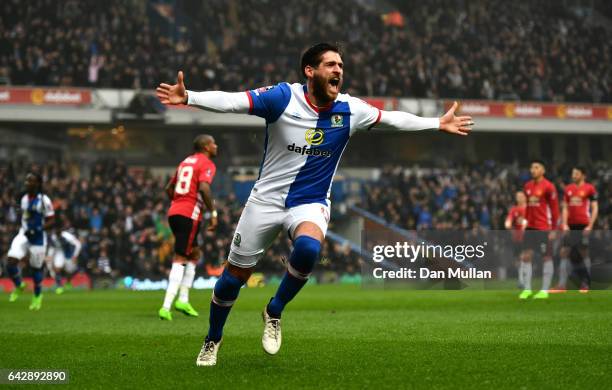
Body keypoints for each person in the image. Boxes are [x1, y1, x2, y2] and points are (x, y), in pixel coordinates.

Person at [156, 42, 473, 366]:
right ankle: (213, 339)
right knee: (233, 277)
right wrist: (190, 97)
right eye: (331, 64)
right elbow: (234, 102)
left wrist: (437, 123)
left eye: (341, 65)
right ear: (310, 71)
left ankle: (274, 311)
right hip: (265, 201)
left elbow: (392, 119)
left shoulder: (350, 110)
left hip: (310, 201)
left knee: (308, 250)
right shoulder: (282, 98)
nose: (338, 70)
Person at [158, 134, 218, 321]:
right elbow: (204, 189)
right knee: (181, 257)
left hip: (175, 212)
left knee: (194, 253)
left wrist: (179, 202)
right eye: (213, 143)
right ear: (207, 147)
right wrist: (213, 213)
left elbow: (169, 188)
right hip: (189, 214)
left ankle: (183, 299)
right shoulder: (205, 163)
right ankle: (166, 306)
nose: (216, 146)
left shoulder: (185, 162)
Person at [6, 173, 55, 310]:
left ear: (37, 183)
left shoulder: (44, 200)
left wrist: (38, 228)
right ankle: (19, 285)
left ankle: (37, 296)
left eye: (30, 181)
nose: (27, 183)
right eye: (26, 180)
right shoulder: (24, 199)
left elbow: (52, 220)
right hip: (24, 235)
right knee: (10, 261)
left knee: (36, 269)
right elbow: (26, 216)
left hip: (38, 239)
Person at [551, 166, 598, 293]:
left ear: (583, 175)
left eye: (576, 173)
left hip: (583, 225)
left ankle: (586, 283)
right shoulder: (568, 189)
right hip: (570, 226)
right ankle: (561, 285)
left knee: (584, 253)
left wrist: (590, 225)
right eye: (573, 173)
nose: (574, 175)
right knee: (564, 252)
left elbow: (594, 207)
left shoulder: (590, 188)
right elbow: (565, 208)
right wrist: (565, 224)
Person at [519, 160, 559, 300]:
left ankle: (544, 290)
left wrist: (554, 229)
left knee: (546, 257)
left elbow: (554, 209)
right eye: (531, 167)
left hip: (544, 227)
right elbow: (528, 207)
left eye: (536, 167)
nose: (532, 170)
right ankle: (527, 289)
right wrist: (525, 223)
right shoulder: (528, 186)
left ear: (543, 170)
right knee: (526, 256)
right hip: (530, 226)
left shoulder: (549, 187)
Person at [46, 222, 82, 294]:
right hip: (60, 253)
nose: (55, 231)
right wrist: (49, 255)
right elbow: (52, 247)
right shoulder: (53, 236)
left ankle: (68, 282)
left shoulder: (67, 236)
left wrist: (75, 255)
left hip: (69, 253)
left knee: (69, 271)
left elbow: (78, 244)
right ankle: (59, 286)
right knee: (57, 268)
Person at [504, 191, 527, 286]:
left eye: (521, 196)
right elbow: (508, 222)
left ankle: (524, 280)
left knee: (525, 258)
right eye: (517, 196)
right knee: (519, 259)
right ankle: (521, 279)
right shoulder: (514, 209)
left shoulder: (530, 209)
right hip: (517, 238)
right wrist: (508, 224)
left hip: (528, 237)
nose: (519, 198)